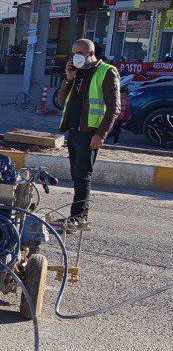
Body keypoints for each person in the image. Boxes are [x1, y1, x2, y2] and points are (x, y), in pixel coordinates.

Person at [55, 38, 120, 229]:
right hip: (74, 132)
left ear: (91, 54)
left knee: (83, 175)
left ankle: (79, 217)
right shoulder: (77, 73)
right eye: (73, 52)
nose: (75, 56)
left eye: (80, 53)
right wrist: (68, 78)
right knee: (76, 174)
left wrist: (101, 134)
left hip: (89, 133)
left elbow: (114, 108)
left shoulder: (106, 71)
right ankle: (77, 215)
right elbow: (61, 100)